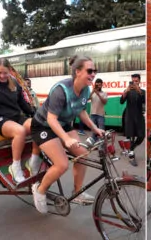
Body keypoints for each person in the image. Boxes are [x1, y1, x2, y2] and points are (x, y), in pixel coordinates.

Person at [30, 55, 105, 214]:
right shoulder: (61, 90)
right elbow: (51, 119)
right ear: (77, 72)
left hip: (63, 124)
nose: (93, 74)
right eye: (89, 71)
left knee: (82, 154)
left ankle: (77, 192)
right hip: (43, 126)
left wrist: (95, 129)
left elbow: (81, 111)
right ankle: (40, 189)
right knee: (62, 164)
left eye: (95, 71)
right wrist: (65, 138)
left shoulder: (85, 89)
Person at [0, 58, 41, 183]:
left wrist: (35, 114)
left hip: (16, 116)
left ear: (9, 71)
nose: (2, 76)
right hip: (0, 119)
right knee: (20, 131)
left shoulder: (15, 84)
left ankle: (33, 160)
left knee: (38, 125)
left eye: (5, 73)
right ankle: (15, 167)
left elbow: (22, 103)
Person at [120, 73, 145, 166]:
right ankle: (131, 157)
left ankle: (131, 149)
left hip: (138, 117)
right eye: (133, 81)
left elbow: (144, 101)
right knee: (129, 137)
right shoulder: (128, 91)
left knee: (141, 136)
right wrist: (125, 91)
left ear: (139, 81)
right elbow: (121, 101)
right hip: (129, 116)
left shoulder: (142, 91)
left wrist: (138, 90)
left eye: (136, 81)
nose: (134, 83)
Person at [86, 78, 107, 144]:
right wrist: (92, 92)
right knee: (94, 130)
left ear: (101, 85)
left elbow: (104, 102)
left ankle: (102, 146)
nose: (98, 86)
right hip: (93, 114)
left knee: (101, 131)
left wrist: (98, 94)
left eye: (99, 85)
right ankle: (94, 144)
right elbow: (87, 99)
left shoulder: (104, 93)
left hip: (100, 115)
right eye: (97, 85)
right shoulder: (93, 93)